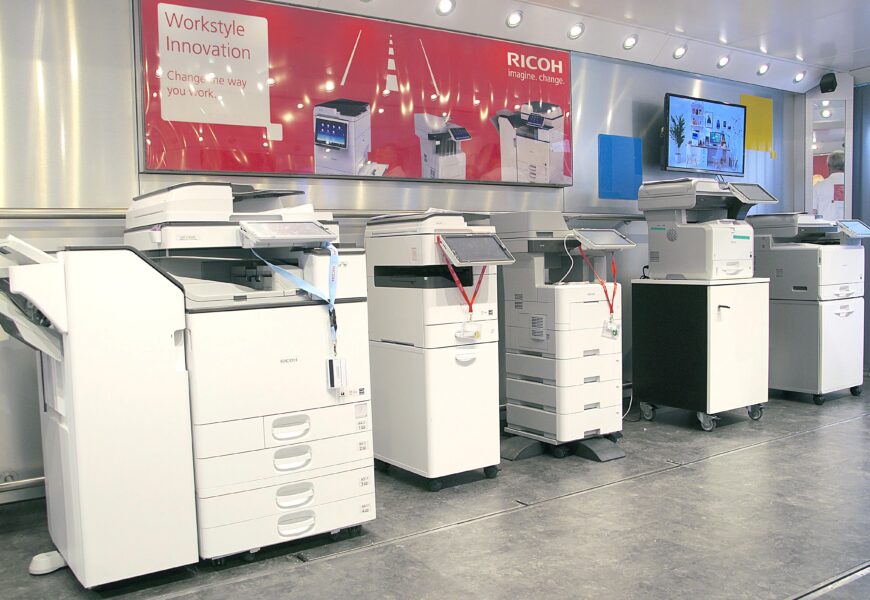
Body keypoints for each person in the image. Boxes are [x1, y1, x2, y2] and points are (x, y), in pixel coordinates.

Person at [813, 150, 846, 221]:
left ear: (829, 166)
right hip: (850, 226)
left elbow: (813, 212)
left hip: (825, 226)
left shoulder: (818, 186)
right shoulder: (854, 187)